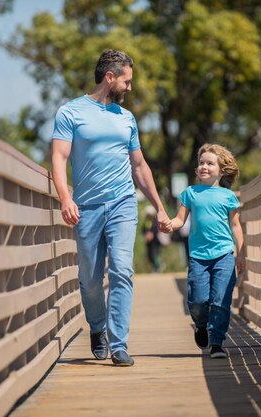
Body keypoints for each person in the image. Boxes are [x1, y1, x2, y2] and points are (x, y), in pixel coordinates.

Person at [51, 49, 171, 367]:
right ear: (110, 77)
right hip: (86, 207)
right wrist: (66, 198)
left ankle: (119, 344)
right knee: (90, 280)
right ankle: (98, 328)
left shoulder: (126, 118)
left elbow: (140, 166)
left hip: (122, 202)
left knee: (122, 270)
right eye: (127, 81)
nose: (129, 88)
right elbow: (59, 160)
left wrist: (159, 206)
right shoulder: (70, 113)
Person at [167, 143, 245, 359]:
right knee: (199, 301)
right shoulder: (190, 193)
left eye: (210, 163)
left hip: (223, 254)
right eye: (201, 163)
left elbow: (236, 226)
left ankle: (217, 342)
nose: (204, 167)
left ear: (222, 169)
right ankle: (201, 324)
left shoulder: (228, 196)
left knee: (221, 300)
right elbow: (179, 220)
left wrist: (241, 253)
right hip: (198, 257)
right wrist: (168, 224)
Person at [142, 206, 162, 272]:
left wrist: (152, 234)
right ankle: (154, 267)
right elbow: (143, 230)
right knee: (149, 256)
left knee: (154, 254)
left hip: (155, 241)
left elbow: (156, 229)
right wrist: (146, 235)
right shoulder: (146, 221)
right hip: (148, 242)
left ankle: (157, 267)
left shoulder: (156, 221)